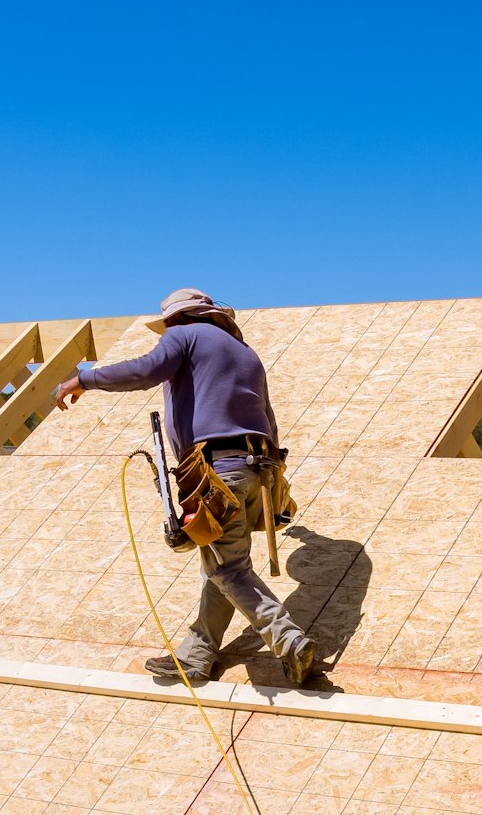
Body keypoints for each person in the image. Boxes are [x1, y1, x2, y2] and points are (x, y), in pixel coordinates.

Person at [53, 289, 318, 686]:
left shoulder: (185, 334)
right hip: (256, 471)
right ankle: (196, 656)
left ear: (180, 318)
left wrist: (84, 379)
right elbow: (268, 417)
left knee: (227, 568)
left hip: (217, 473)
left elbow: (145, 371)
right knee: (221, 567)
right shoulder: (246, 354)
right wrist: (275, 479)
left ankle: (289, 640)